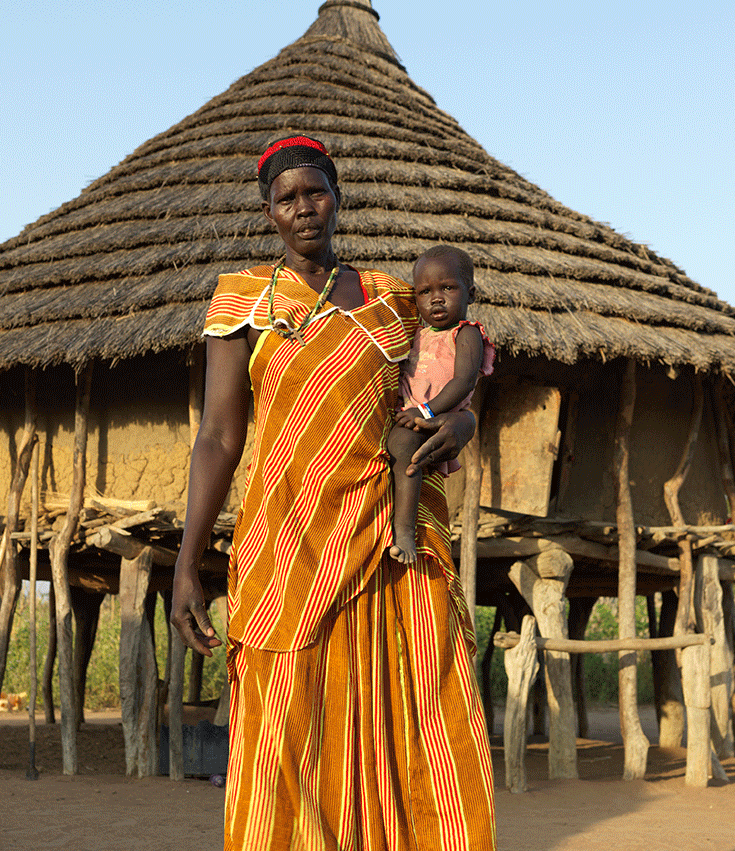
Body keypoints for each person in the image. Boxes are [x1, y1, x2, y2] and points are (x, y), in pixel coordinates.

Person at [171, 135, 496, 850]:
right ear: (268, 213)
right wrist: (186, 561)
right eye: (287, 198)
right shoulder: (243, 299)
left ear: (337, 196)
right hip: (286, 544)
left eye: (314, 191)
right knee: (285, 733)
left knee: (414, 723)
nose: (304, 208)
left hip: (391, 540)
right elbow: (219, 438)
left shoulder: (393, 298)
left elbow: (448, 370)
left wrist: (465, 418)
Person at [388, 245, 495, 565]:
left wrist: (427, 410)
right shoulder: (415, 333)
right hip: (409, 412)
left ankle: (404, 529)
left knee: (405, 448)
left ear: (470, 294)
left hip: (436, 416)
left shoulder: (466, 335)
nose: (436, 298)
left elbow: (462, 381)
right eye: (425, 291)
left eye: (447, 288)